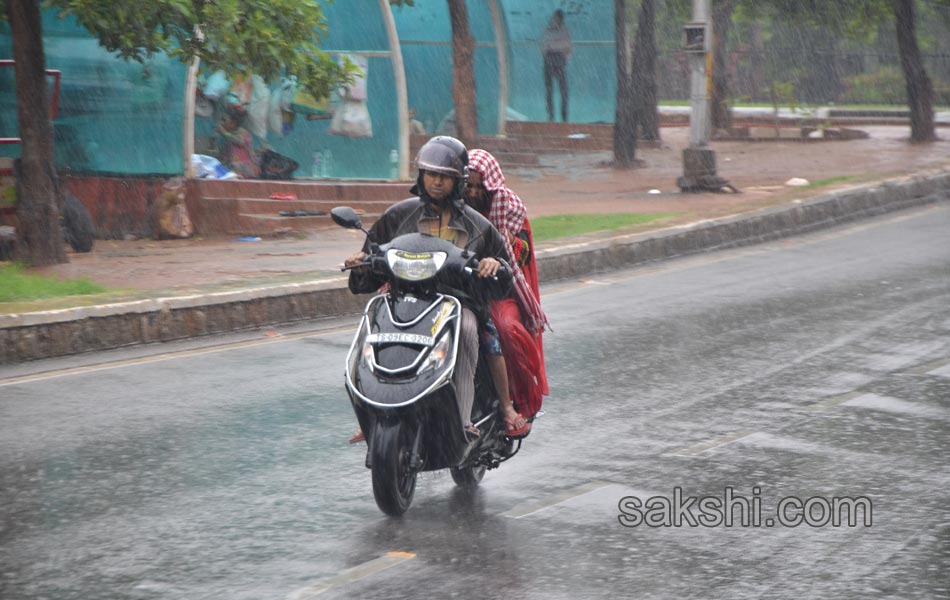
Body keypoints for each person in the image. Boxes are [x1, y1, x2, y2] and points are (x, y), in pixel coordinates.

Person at [345, 136, 510, 443]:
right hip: (401, 300)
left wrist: (492, 267)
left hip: (455, 305)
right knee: (370, 327)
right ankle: (370, 413)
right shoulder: (398, 216)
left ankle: (462, 420)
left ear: (458, 181)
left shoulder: (479, 227)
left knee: (470, 332)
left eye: (446, 176)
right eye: (432, 174)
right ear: (421, 176)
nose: (437, 182)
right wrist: (361, 264)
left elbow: (504, 275)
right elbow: (368, 269)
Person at [464, 149, 550, 437]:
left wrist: (506, 248)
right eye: (469, 186)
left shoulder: (508, 211)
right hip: (458, 288)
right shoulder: (447, 207)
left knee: (503, 327)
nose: (474, 193)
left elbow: (520, 259)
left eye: (480, 187)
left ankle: (516, 402)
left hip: (498, 290)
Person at [540, 9, 572, 122]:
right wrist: (559, 49)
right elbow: (544, 47)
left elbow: (568, 48)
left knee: (562, 90)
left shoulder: (564, 31)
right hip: (552, 59)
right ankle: (551, 116)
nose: (557, 20)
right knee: (551, 90)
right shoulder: (548, 30)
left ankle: (563, 116)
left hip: (557, 60)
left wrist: (554, 48)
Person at [215, 107, 259, 179]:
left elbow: (239, 141)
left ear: (233, 123)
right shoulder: (227, 135)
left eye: (224, 120)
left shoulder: (242, 133)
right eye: (221, 120)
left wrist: (224, 132)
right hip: (231, 171)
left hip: (244, 172)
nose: (221, 123)